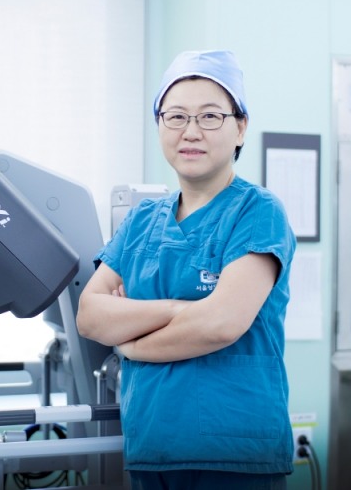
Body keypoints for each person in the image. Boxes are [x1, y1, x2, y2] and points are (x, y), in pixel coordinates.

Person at [76, 50, 296, 490]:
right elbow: (90, 316)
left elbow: (219, 324)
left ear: (240, 127)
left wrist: (131, 343)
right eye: (175, 116)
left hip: (232, 454)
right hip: (153, 445)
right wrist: (182, 309)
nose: (190, 131)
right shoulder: (142, 221)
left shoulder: (257, 211)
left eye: (210, 116)